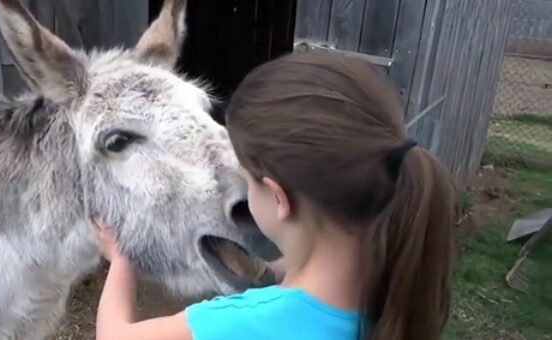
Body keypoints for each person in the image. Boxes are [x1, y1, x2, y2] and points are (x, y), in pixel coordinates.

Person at [93, 52, 458, 340]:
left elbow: (115, 336)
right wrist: (268, 271)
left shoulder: (245, 323)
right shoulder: (394, 277)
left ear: (278, 198)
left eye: (246, 181)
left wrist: (122, 256)